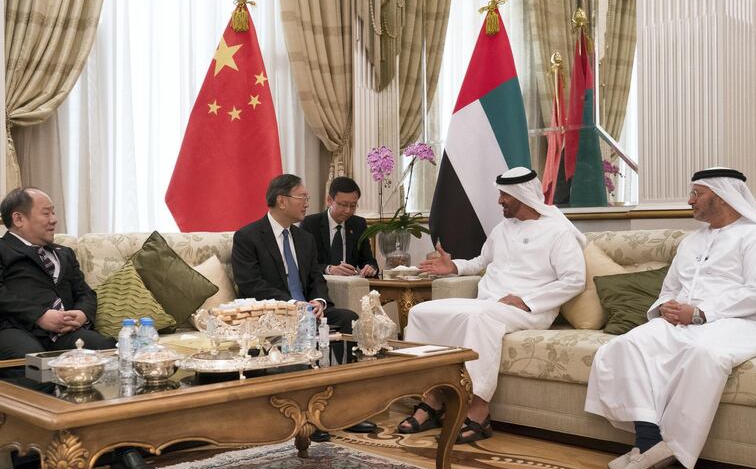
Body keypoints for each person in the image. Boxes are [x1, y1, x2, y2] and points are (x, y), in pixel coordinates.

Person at [584, 167, 756, 469]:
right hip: (686, 320)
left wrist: (700, 312)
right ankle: (648, 439)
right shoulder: (692, 241)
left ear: (721, 197)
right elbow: (670, 288)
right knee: (627, 344)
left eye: (697, 194)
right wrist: (664, 308)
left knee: (703, 352)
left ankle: (671, 446)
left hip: (746, 322)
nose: (689, 200)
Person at [399, 167, 586, 443]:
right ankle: (432, 397)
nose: (499, 201)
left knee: (480, 319)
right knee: (421, 311)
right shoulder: (502, 229)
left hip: (529, 310)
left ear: (521, 195)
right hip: (488, 304)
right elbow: (480, 263)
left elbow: (574, 280)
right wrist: (453, 267)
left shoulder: (557, 231)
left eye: (504, 195)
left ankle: (478, 410)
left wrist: (526, 300)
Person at [0, 187, 160, 469]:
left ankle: (123, 451)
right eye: (46, 213)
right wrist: (38, 315)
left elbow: (87, 293)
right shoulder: (1, 250)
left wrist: (81, 314)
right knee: (31, 363)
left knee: (109, 350)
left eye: (54, 212)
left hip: (65, 333)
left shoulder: (64, 253)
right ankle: (29, 468)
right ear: (19, 218)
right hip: (15, 330)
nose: (54, 220)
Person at [231, 174, 376, 436]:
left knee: (348, 318)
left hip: (308, 310)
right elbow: (251, 284)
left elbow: (315, 278)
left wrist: (319, 301)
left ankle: (345, 409)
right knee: (297, 327)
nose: (307, 204)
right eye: (303, 197)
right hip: (275, 313)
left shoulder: (304, 238)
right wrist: (293, 304)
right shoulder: (248, 237)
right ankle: (307, 416)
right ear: (282, 201)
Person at [300, 176, 378, 277]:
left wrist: (370, 267)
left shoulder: (358, 224)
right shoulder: (310, 223)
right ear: (329, 200)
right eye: (343, 205)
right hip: (320, 285)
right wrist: (329, 269)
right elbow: (303, 263)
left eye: (353, 205)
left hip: (350, 286)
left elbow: (368, 260)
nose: (348, 210)